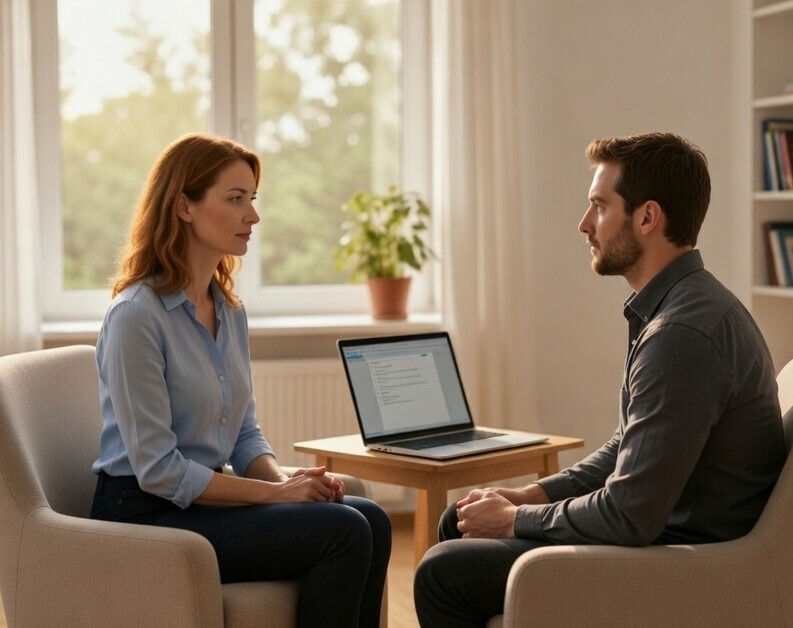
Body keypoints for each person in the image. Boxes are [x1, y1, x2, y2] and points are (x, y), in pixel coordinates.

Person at [413, 132, 787, 627]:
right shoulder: (679, 307)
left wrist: (514, 520)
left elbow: (631, 513)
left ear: (647, 217)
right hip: (666, 532)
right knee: (457, 522)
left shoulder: (682, 333)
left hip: (685, 561)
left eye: (598, 206)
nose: (584, 224)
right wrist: (532, 496)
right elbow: (624, 448)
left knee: (444, 572)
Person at [90, 132, 391, 628]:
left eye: (252, 199)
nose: (252, 216)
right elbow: (159, 471)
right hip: (142, 514)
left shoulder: (228, 309)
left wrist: (285, 480)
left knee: (372, 520)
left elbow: (244, 430)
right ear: (184, 206)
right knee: (343, 531)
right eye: (235, 200)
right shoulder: (135, 317)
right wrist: (276, 497)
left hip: (200, 506)